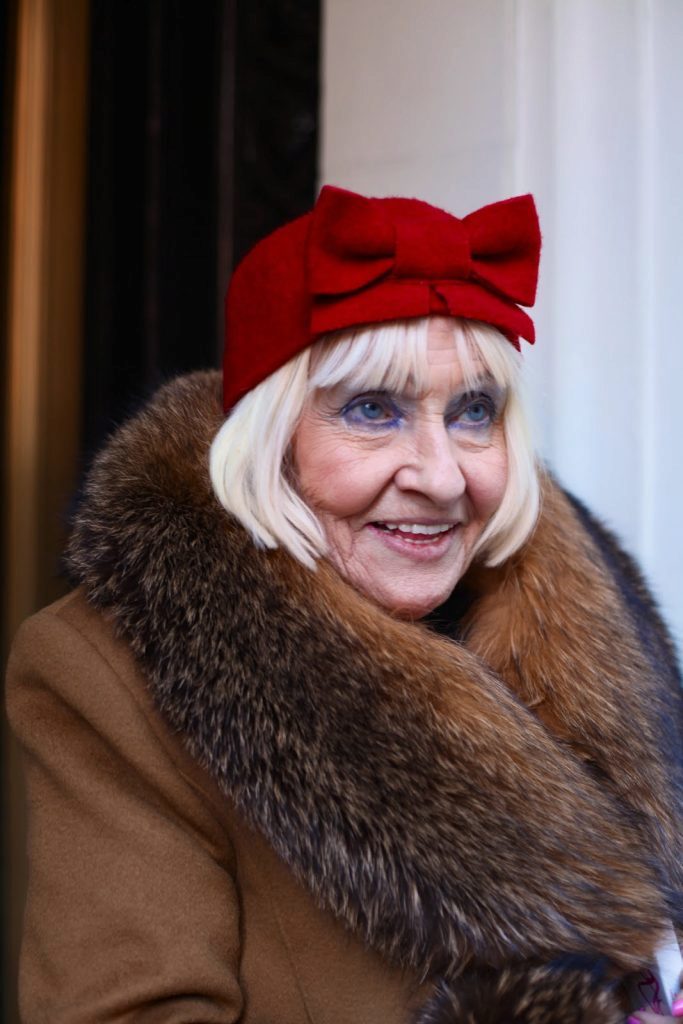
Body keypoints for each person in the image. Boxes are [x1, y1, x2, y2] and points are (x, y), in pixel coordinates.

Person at [6, 185, 683, 1023]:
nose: (440, 476)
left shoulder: (584, 605)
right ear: (271, 440)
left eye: (473, 411)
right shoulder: (103, 675)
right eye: (371, 410)